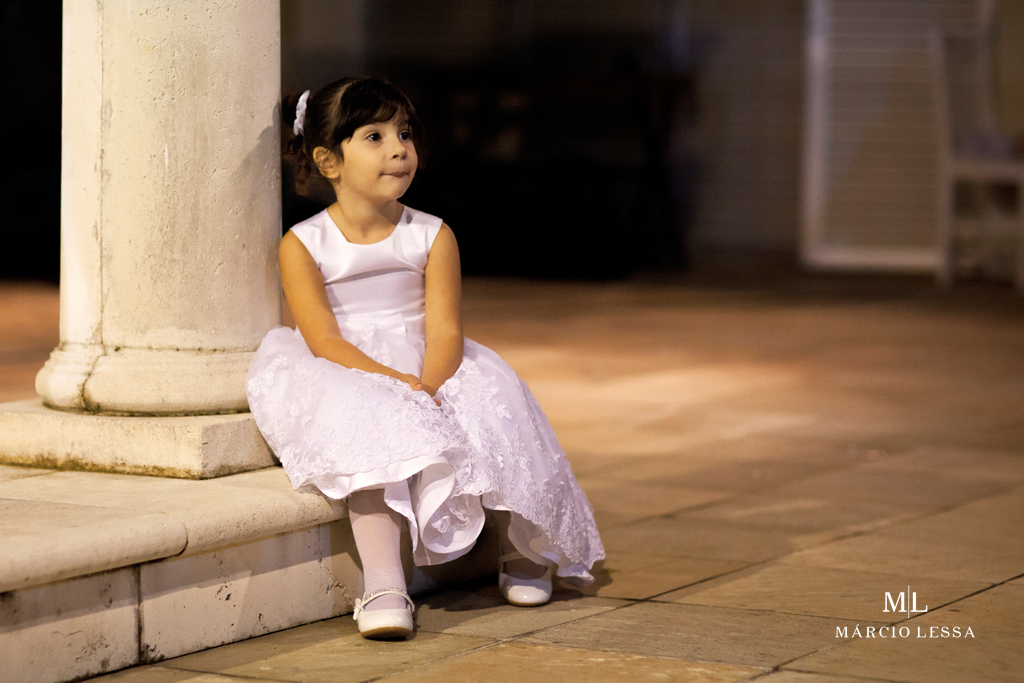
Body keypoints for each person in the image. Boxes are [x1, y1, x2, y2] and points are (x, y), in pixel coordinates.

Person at [246, 77, 604, 639]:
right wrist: (393, 383)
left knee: (496, 409)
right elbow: (323, 340)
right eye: (374, 136)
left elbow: (445, 331)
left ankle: (524, 546)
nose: (398, 148)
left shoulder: (432, 235)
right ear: (328, 161)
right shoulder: (303, 244)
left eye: (405, 133)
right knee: (370, 433)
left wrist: (429, 382)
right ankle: (385, 583)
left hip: (430, 360)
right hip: (349, 365)